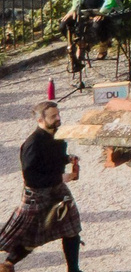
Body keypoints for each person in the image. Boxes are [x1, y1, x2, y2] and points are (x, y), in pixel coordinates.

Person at [0, 94, 79, 272]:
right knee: (31, 237)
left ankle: (74, 270)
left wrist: (67, 158)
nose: (58, 118)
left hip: (57, 190)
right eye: (53, 116)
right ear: (40, 120)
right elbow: (30, 177)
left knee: (72, 229)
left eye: (58, 114)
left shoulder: (56, 136)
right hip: (37, 195)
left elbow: (51, 159)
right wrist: (60, 178)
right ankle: (7, 265)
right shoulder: (32, 144)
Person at [57, 0, 113, 73]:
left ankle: (103, 42)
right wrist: (73, 10)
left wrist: (102, 12)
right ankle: (80, 45)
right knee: (63, 25)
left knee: (97, 25)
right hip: (84, 10)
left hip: (101, 9)